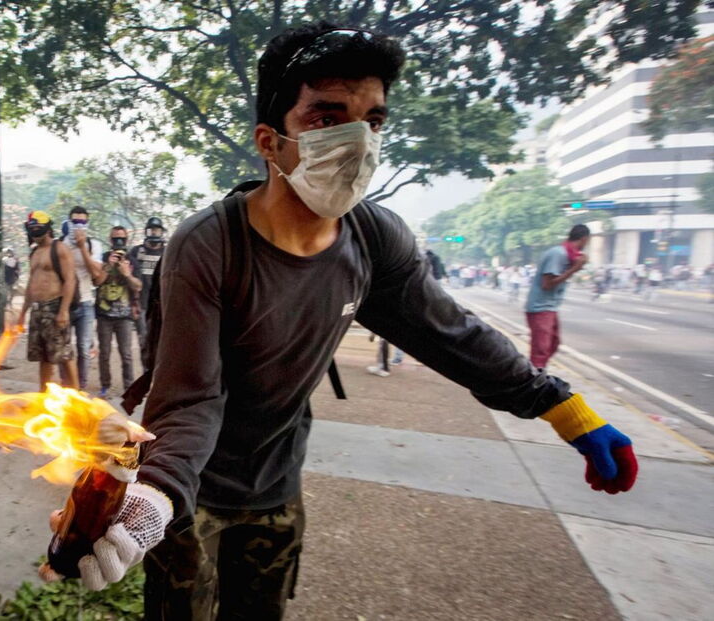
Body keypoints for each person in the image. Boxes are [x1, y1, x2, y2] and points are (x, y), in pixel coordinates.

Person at [45, 25, 639, 619]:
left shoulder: (374, 239)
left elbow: (453, 334)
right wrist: (155, 496)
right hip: (188, 485)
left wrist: (563, 409)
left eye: (373, 121)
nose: (358, 143)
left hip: (277, 481)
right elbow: (191, 395)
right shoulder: (210, 243)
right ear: (270, 142)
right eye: (327, 119)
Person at [17, 211, 79, 390]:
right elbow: (31, 284)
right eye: (32, 229)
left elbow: (69, 280)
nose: (35, 233)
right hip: (37, 310)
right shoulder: (34, 253)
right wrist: (22, 313)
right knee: (43, 356)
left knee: (63, 354)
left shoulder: (59, 248)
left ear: (48, 229)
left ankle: (76, 394)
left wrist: (64, 310)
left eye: (38, 229)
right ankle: (44, 393)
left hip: (54, 306)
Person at [525, 224, 590, 370]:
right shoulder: (558, 254)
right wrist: (574, 269)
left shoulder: (567, 255)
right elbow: (547, 284)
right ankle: (534, 380)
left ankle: (535, 373)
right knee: (541, 349)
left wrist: (575, 265)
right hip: (540, 307)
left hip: (550, 306)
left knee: (553, 343)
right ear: (584, 239)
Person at [59, 207, 105, 391]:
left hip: (86, 303)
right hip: (64, 303)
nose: (79, 225)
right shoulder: (60, 245)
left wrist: (82, 247)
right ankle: (66, 386)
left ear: (87, 223)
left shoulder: (94, 245)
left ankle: (81, 386)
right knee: (64, 348)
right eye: (75, 221)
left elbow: (96, 273)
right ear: (68, 222)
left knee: (84, 349)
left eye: (83, 222)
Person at [93, 226, 142, 398]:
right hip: (104, 315)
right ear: (110, 240)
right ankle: (105, 386)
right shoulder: (103, 258)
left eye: (122, 239)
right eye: (115, 239)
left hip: (125, 316)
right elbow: (96, 282)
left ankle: (129, 387)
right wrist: (108, 266)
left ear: (127, 240)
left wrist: (126, 274)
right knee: (104, 353)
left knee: (126, 354)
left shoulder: (132, 261)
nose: (119, 242)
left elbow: (138, 286)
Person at [128, 216, 167, 357]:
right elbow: (130, 277)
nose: (154, 233)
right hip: (142, 303)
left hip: (162, 304)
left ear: (161, 232)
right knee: (143, 340)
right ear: (146, 232)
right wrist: (133, 302)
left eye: (157, 230)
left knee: (162, 340)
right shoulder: (137, 252)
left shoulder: (167, 252)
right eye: (151, 230)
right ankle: (146, 372)